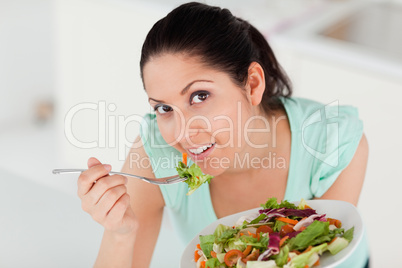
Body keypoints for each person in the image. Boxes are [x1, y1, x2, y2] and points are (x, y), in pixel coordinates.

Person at [77, 2, 369, 267]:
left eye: (200, 96)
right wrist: (120, 233)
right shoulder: (156, 152)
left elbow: (325, 253)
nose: (183, 131)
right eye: (164, 107)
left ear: (253, 84)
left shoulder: (331, 142)